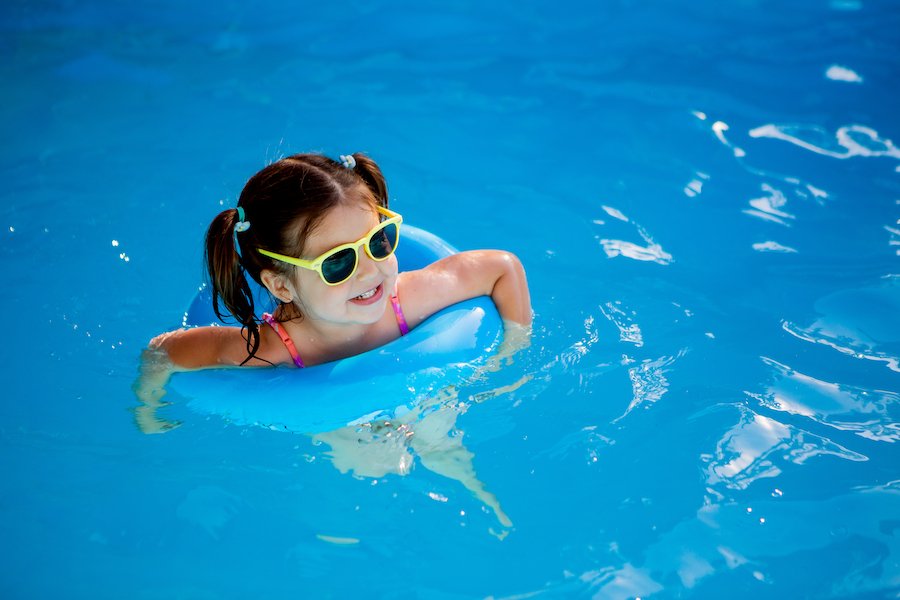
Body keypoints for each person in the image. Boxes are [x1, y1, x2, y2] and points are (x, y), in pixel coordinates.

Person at [146, 151, 532, 372]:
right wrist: (148, 409)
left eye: (378, 242)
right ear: (280, 286)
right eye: (337, 262)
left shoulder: (405, 301)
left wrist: (511, 355)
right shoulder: (273, 349)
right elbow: (165, 350)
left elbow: (502, 267)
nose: (370, 270)